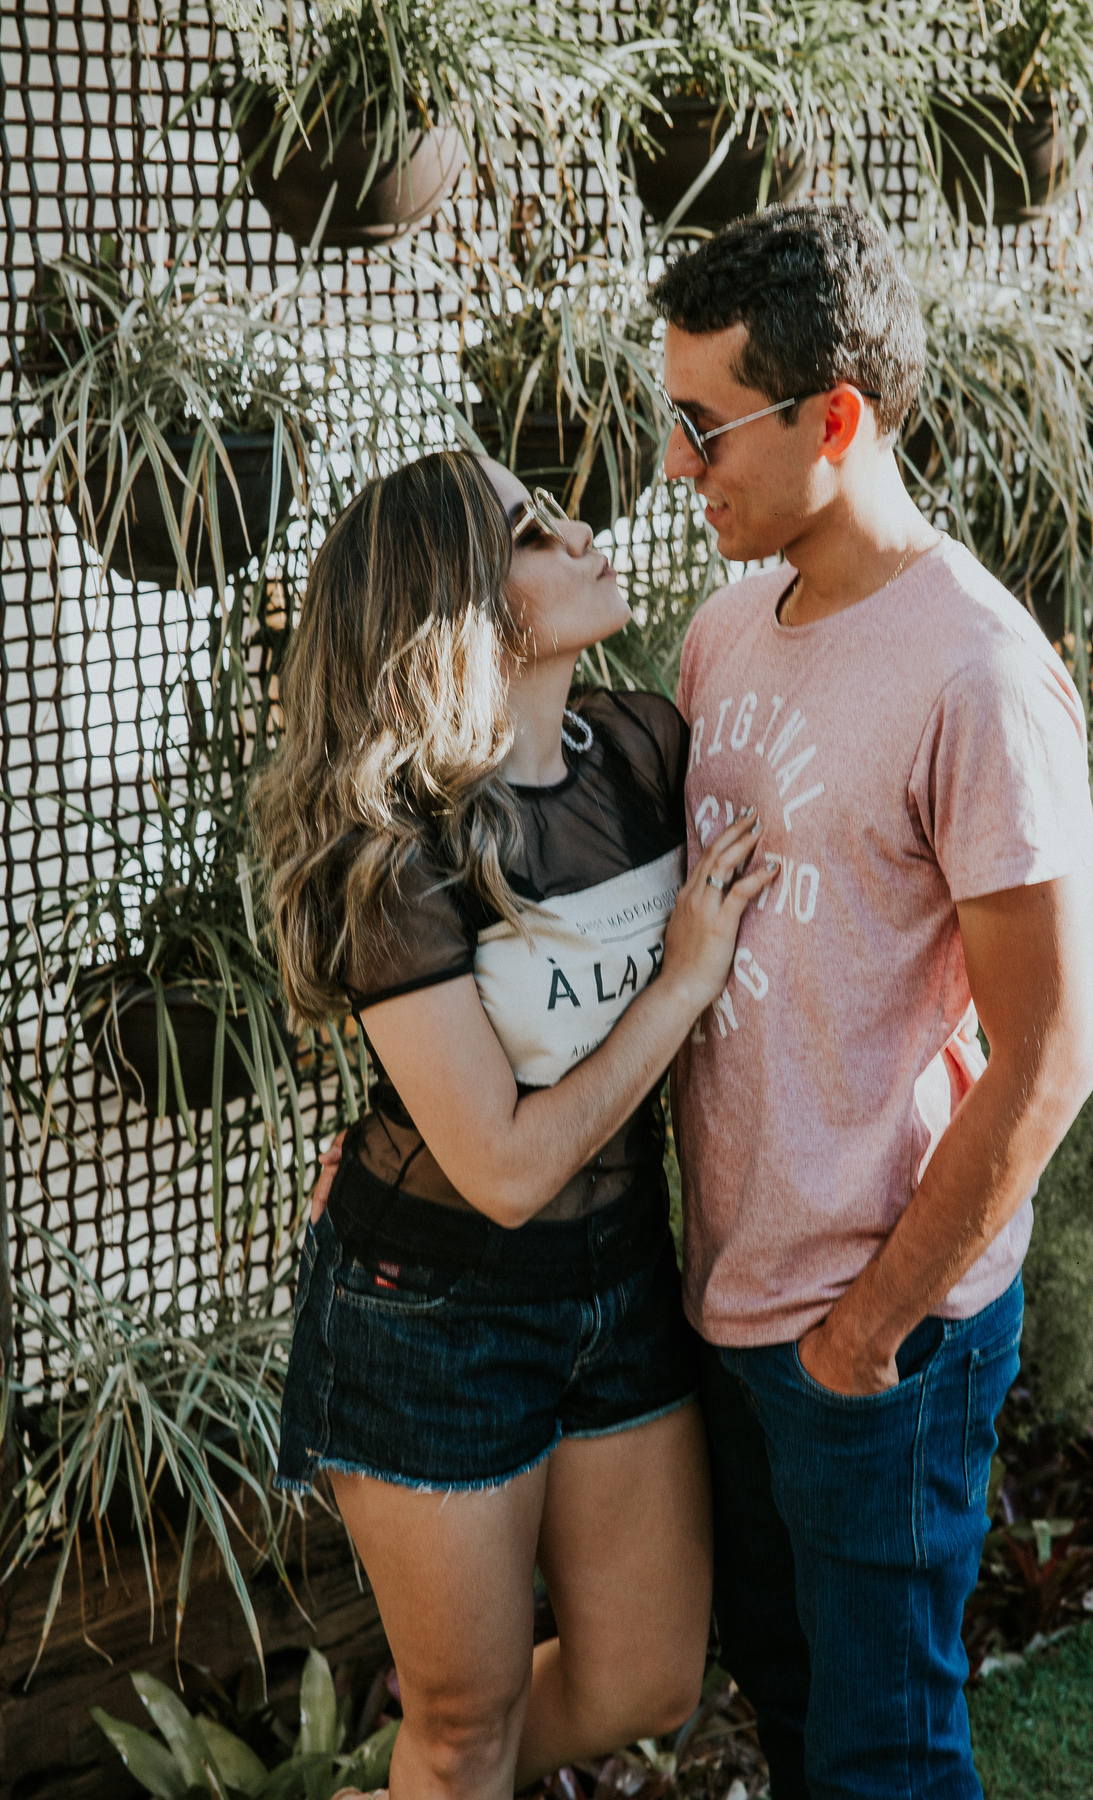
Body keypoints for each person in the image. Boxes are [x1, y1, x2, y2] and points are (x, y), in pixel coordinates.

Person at [652, 202, 1093, 1799]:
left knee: (885, 1756)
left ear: (834, 416)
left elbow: (1050, 1059)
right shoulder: (721, 633)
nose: (676, 464)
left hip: (877, 1342)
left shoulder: (978, 672)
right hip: (733, 1306)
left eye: (701, 426)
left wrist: (867, 1336)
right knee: (789, 1713)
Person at [252, 449, 778, 1800]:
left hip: (616, 1281)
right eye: (537, 531)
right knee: (465, 1723)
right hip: (434, 1309)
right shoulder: (398, 854)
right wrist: (679, 983)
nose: (586, 532)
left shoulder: (647, 748)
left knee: (647, 1677)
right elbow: (498, 1168)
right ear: (461, 606)